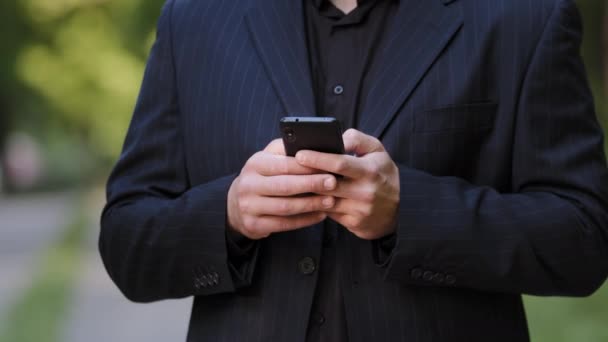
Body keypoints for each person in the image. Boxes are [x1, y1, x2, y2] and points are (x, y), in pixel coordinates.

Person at [99, 0, 608, 341]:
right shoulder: (194, 19)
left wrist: (412, 212)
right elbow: (127, 243)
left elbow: (584, 239)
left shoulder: (525, 15)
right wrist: (228, 214)